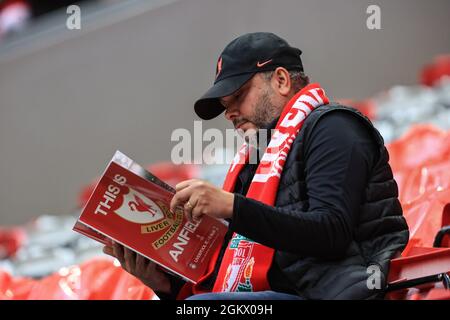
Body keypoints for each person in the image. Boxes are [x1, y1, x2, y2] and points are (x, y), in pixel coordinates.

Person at [103, 32, 409, 300]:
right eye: (225, 106)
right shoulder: (255, 157)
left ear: (281, 80)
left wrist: (233, 207)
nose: (230, 113)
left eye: (238, 96)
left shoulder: (334, 127)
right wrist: (164, 284)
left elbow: (332, 233)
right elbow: (231, 272)